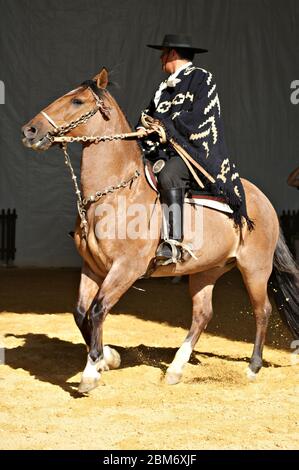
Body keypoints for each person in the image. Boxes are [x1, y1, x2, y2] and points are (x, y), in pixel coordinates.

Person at [136, 34, 252, 264]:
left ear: (173, 54)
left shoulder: (202, 79)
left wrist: (165, 127)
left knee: (169, 174)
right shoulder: (163, 88)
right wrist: (142, 128)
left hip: (194, 152)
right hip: (164, 151)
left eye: (163, 53)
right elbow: (150, 116)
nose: (161, 58)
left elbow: (201, 117)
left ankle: (173, 242)